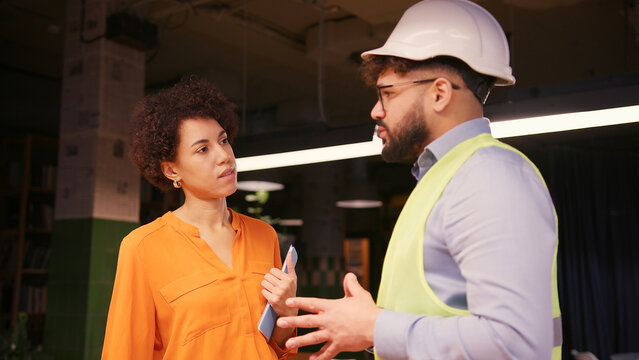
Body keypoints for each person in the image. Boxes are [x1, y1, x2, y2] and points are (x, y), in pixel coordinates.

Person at [276, 1, 562, 359]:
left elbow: (515, 344)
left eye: (388, 93)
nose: (376, 110)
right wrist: (372, 328)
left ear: (439, 93)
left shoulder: (489, 177)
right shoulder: (445, 179)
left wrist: (374, 326)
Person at [101, 77, 298, 359]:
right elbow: (124, 352)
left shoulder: (264, 235)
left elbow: (277, 348)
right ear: (171, 170)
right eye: (203, 149)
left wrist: (287, 311)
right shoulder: (142, 247)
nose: (224, 156)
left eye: (223, 140)